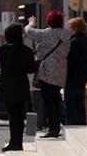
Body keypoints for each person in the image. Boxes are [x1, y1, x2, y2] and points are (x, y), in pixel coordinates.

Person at [0, 24, 36, 151]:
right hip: (21, 86)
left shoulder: (4, 49)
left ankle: (14, 142)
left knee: (12, 116)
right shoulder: (27, 50)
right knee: (19, 115)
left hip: (7, 86)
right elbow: (31, 69)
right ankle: (19, 142)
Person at [25, 10, 70, 138]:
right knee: (56, 99)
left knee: (48, 101)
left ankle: (53, 128)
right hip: (61, 71)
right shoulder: (67, 34)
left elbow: (28, 32)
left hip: (46, 72)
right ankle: (56, 126)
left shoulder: (46, 34)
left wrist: (31, 23)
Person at [65, 18, 87, 126]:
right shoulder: (86, 40)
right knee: (80, 102)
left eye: (70, 28)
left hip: (73, 76)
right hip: (83, 75)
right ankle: (81, 121)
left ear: (75, 29)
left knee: (71, 103)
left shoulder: (74, 42)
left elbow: (70, 61)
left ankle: (72, 124)